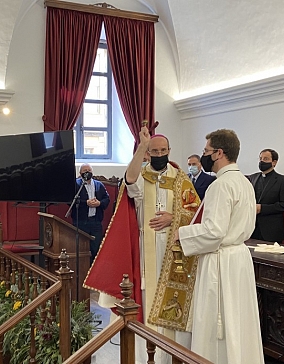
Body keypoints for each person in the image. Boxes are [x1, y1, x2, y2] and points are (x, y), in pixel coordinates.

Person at [85, 125, 201, 364]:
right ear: (148, 153)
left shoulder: (181, 179)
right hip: (145, 251)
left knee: (172, 304)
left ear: (170, 150)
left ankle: (172, 357)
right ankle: (147, 357)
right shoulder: (141, 176)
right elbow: (129, 181)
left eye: (163, 150)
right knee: (146, 303)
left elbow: (196, 213)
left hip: (175, 254)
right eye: (154, 151)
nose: (159, 155)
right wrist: (141, 147)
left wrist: (174, 217)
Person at [174, 129, 264, 364]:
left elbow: (214, 232)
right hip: (239, 259)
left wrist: (181, 233)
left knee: (218, 324)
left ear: (219, 153)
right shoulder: (245, 182)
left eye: (206, 151)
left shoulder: (220, 185)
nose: (204, 157)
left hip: (220, 261)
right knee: (239, 321)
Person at [247, 149, 284, 244]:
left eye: (266, 159)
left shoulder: (283, 181)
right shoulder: (253, 177)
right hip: (252, 228)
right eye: (260, 159)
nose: (262, 161)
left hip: (271, 230)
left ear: (274, 162)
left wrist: (262, 208)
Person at [70, 163, 110, 263]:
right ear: (80, 173)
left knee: (96, 249)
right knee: (80, 250)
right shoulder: (75, 185)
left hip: (95, 222)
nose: (87, 172)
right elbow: (70, 201)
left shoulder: (99, 185)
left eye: (89, 170)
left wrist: (99, 203)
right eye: (85, 171)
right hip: (81, 222)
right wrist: (86, 203)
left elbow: (107, 199)